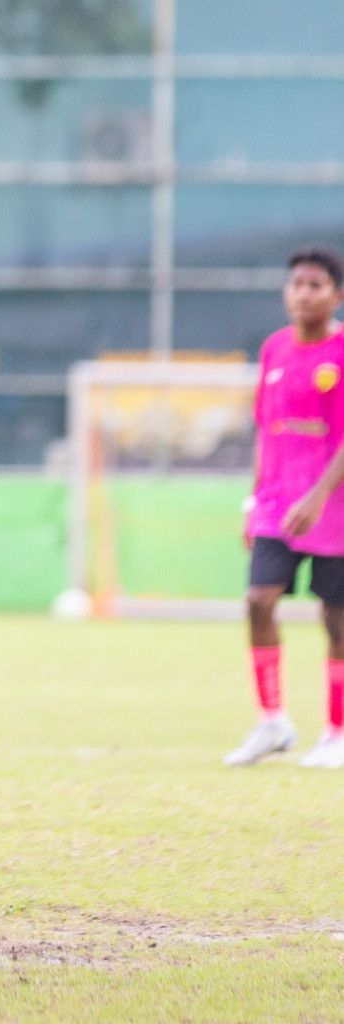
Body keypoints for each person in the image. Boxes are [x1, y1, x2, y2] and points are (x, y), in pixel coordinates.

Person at [228, 246, 344, 769]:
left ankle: (337, 731)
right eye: (296, 283)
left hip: (335, 506)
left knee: (337, 617)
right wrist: (255, 501)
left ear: (336, 295)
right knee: (258, 600)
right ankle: (272, 721)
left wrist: (319, 496)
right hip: (277, 504)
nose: (304, 293)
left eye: (316, 285)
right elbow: (264, 430)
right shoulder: (275, 349)